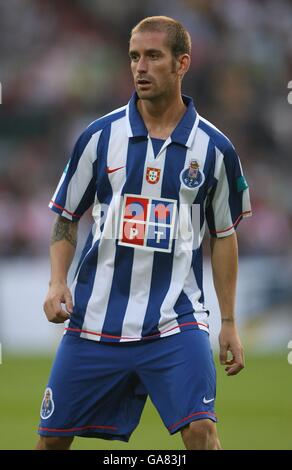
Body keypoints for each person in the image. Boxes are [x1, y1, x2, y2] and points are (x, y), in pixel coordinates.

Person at [36, 16, 252, 451]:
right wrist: (57, 281)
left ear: (182, 63)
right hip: (95, 319)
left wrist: (228, 322)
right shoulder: (98, 137)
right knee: (51, 441)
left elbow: (224, 235)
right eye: (135, 56)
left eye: (153, 56)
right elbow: (65, 215)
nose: (141, 67)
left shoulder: (215, 149)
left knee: (202, 432)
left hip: (177, 319)